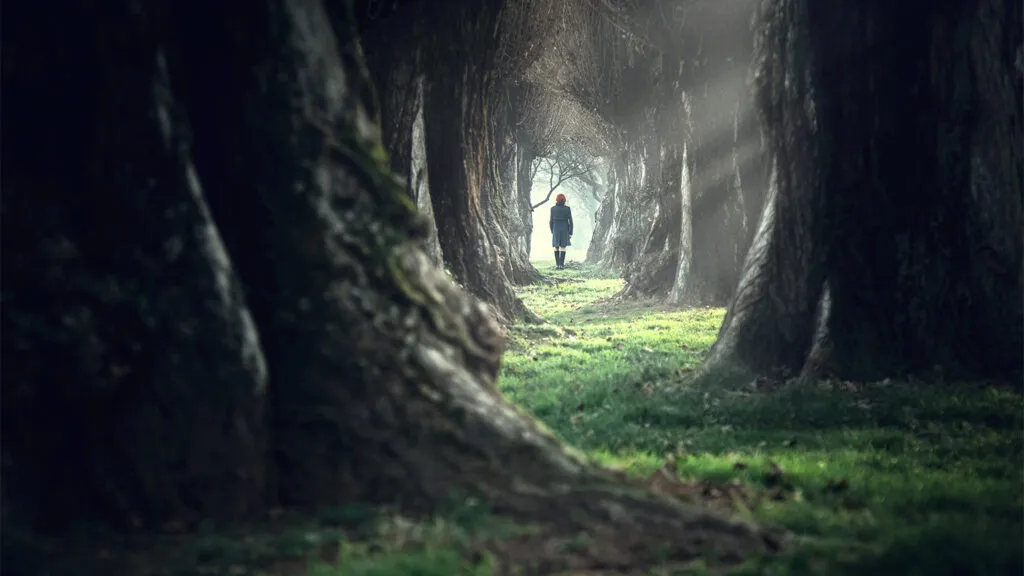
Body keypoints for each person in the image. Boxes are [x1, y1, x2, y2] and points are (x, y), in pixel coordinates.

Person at [549, 193, 573, 270]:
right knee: (563, 246)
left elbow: (551, 221)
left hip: (556, 228)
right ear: (564, 200)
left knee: (556, 246)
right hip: (565, 228)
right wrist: (570, 232)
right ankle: (561, 265)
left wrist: (552, 231)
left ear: (557, 199)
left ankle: (557, 265)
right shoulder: (567, 209)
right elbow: (571, 221)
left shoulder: (553, 209)